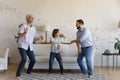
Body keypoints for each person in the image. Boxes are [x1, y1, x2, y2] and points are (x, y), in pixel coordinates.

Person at [16, 14, 43, 80]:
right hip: (22, 45)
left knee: (33, 60)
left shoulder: (34, 28)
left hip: (29, 46)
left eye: (33, 18)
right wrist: (25, 33)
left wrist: (38, 38)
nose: (33, 19)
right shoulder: (23, 26)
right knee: (24, 59)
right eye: (31, 18)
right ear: (27, 19)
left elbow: (33, 38)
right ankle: (17, 75)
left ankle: (28, 72)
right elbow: (19, 35)